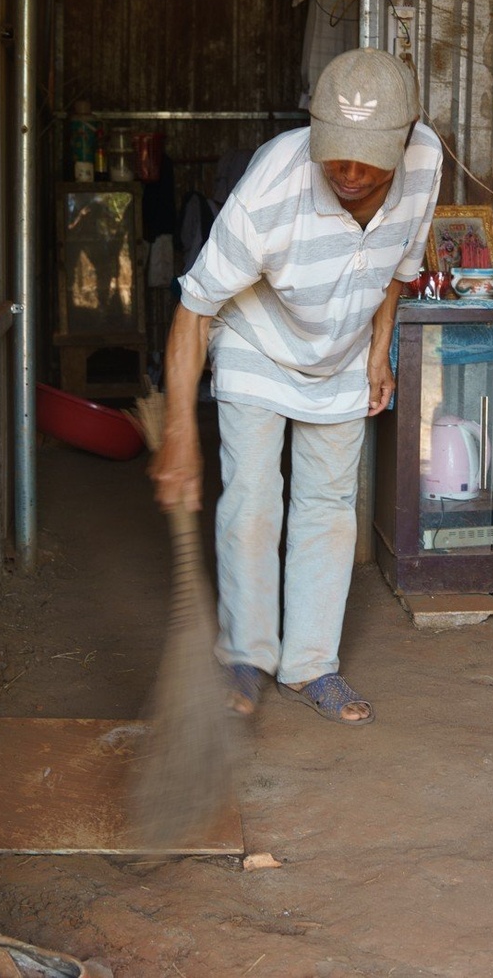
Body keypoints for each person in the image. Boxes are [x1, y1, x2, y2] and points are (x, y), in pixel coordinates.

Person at [151, 48, 442, 725]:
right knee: (253, 501)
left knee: (330, 505)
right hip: (258, 340)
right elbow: (194, 310)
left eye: (366, 161)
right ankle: (248, 654)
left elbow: (402, 261)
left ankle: (311, 665)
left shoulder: (425, 160)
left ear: (405, 138)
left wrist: (379, 348)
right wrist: (177, 434)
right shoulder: (272, 191)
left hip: (341, 350)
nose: (345, 172)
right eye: (334, 154)